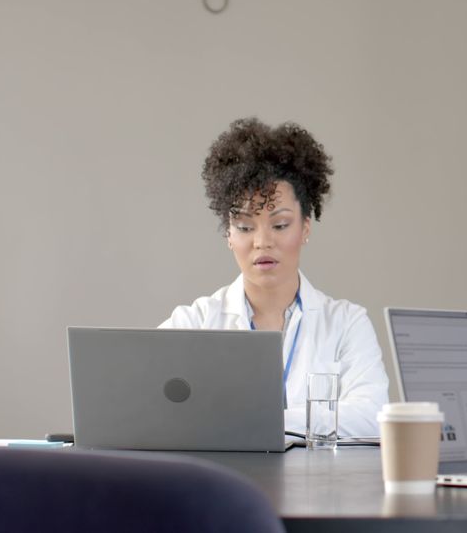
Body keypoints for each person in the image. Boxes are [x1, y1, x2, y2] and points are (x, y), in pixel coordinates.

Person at [160, 118, 389, 437]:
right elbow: (145, 407)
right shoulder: (193, 323)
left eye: (280, 225)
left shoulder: (346, 324)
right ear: (228, 233)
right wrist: (316, 419)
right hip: (224, 485)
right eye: (244, 226)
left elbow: (370, 416)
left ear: (305, 227)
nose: (262, 241)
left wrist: (256, 421)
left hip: (319, 486)